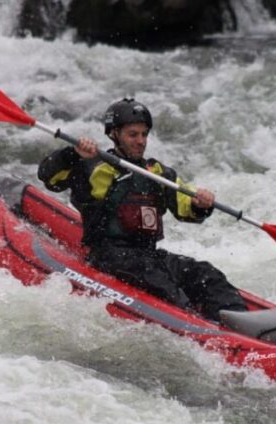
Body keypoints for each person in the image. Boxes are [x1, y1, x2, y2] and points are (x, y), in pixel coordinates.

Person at [37, 98, 247, 322]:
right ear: (114, 134)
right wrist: (73, 154)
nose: (140, 141)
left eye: (144, 134)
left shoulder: (156, 172)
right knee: (162, 283)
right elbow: (49, 177)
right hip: (110, 256)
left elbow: (185, 206)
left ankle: (243, 325)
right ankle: (202, 329)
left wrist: (200, 203)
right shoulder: (94, 166)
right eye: (133, 134)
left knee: (206, 274)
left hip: (149, 255)